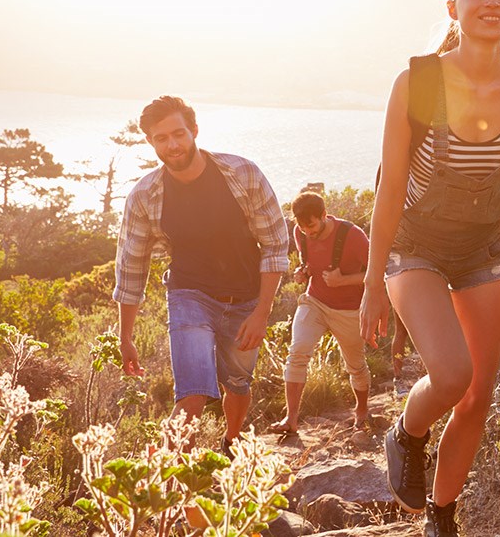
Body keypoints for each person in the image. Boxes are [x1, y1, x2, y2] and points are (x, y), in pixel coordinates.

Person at [360, 0, 500, 537]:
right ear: (454, 7)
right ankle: (406, 432)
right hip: (414, 243)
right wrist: (371, 286)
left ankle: (442, 516)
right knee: (450, 375)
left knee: (477, 396)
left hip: (484, 250)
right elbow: (390, 186)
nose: (492, 2)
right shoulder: (416, 81)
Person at [113, 95, 288, 451]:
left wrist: (261, 313)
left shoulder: (242, 173)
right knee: (192, 396)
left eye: (178, 134)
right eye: (161, 138)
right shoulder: (145, 196)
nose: (172, 145)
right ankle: (159, 488)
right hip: (189, 295)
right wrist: (125, 336)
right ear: (151, 142)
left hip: (246, 299)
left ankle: (232, 443)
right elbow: (131, 267)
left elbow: (274, 244)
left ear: (194, 130)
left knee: (238, 384)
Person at [267, 191, 373, 436]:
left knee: (356, 366)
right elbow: (310, 264)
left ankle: (362, 410)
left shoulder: (353, 236)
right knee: (297, 352)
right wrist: (302, 273)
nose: (307, 232)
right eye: (302, 227)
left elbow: (378, 273)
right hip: (314, 302)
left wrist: (343, 280)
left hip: (349, 310)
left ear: (324, 215)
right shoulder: (300, 232)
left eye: (312, 226)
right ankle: (290, 419)